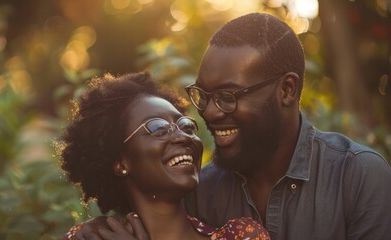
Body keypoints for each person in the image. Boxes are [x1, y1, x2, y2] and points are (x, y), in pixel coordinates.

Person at [68, 13, 391, 239]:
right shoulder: (198, 190)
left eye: (227, 96)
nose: (209, 112)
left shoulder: (356, 176)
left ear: (287, 90)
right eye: (203, 95)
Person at [57, 72, 270, 240]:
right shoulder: (91, 238)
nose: (183, 137)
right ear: (120, 162)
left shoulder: (242, 235)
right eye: (158, 128)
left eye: (186, 126)